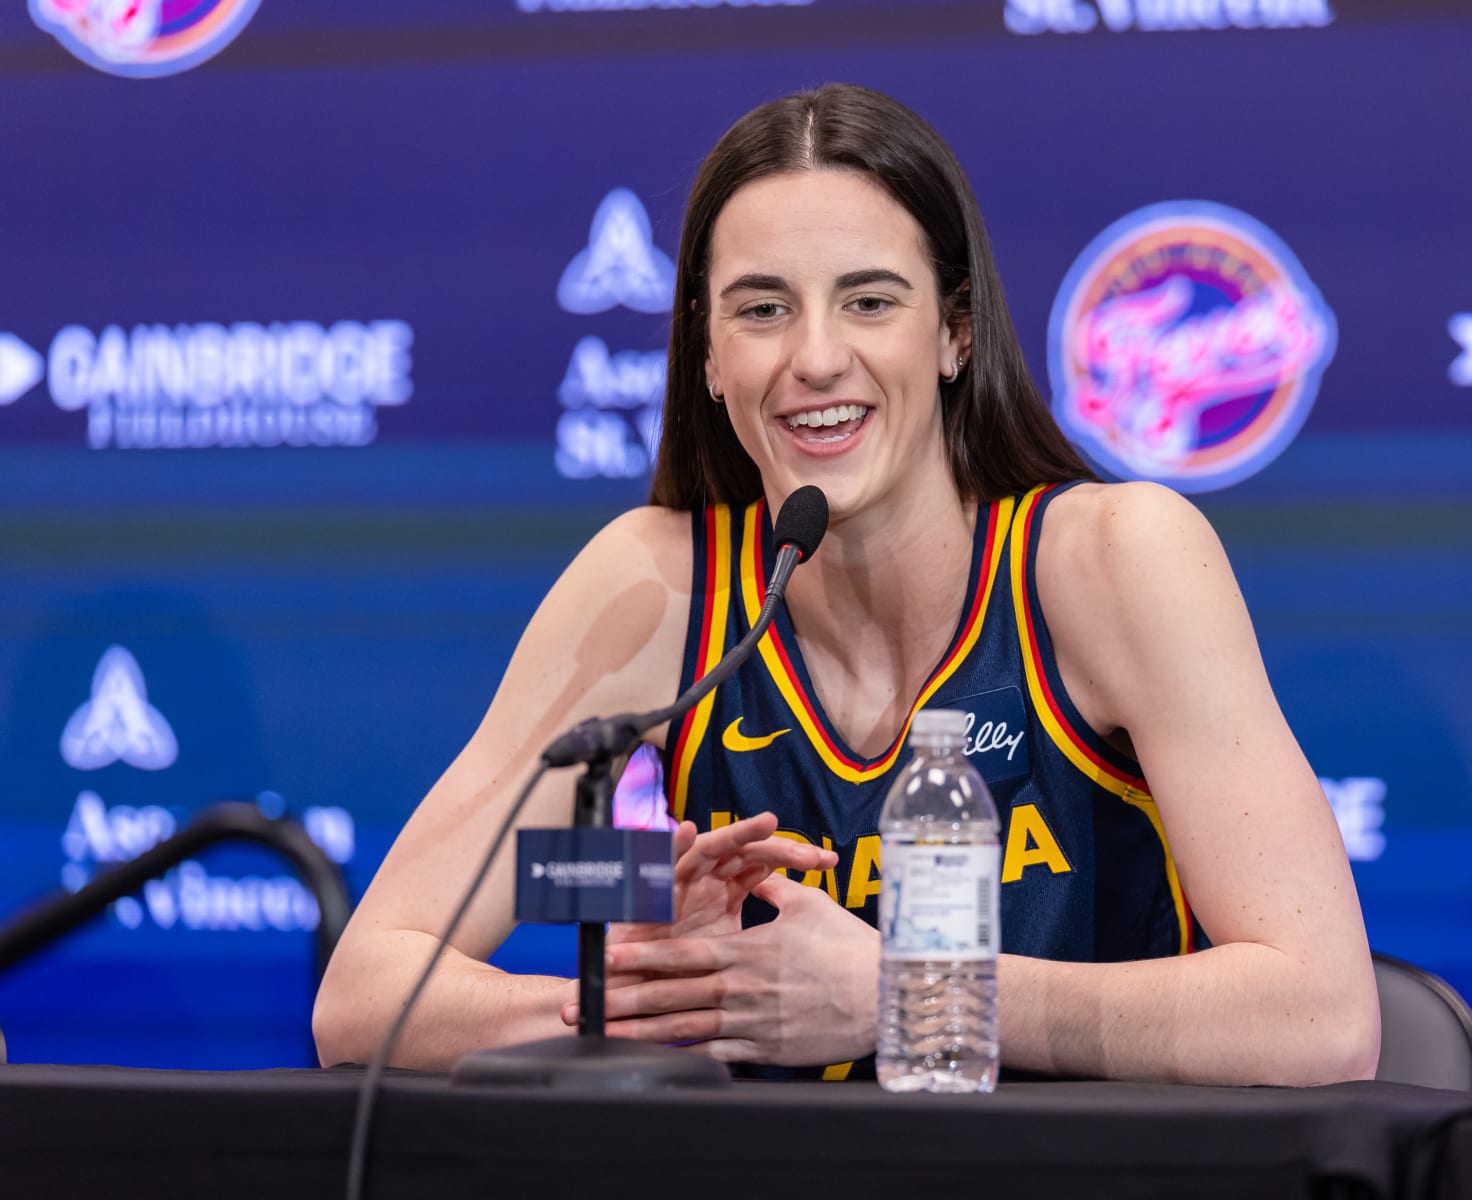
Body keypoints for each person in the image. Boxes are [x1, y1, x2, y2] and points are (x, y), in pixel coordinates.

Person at [312, 83, 1380, 1086]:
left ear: (955, 332)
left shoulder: (1112, 561)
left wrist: (910, 994)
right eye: (762, 310)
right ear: (708, 356)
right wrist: (651, 1001)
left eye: (869, 301)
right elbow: (364, 995)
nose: (816, 358)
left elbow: (1322, 1019)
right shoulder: (655, 588)